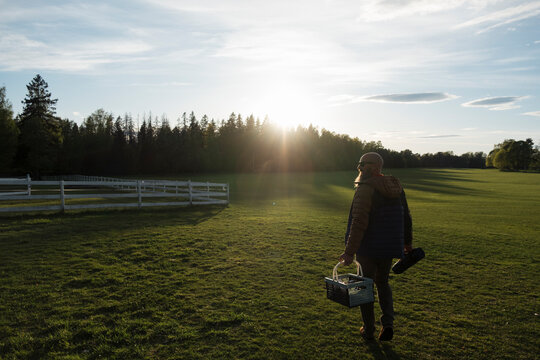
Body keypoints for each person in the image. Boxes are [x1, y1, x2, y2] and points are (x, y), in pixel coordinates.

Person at [339, 152, 413, 341]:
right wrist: (407, 242)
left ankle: (369, 327)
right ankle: (388, 324)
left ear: (368, 167)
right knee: (383, 283)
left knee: (364, 286)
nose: (360, 168)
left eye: (361, 165)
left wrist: (349, 252)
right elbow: (406, 216)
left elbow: (358, 222)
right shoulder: (396, 186)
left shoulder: (365, 188)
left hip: (369, 248)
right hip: (389, 247)